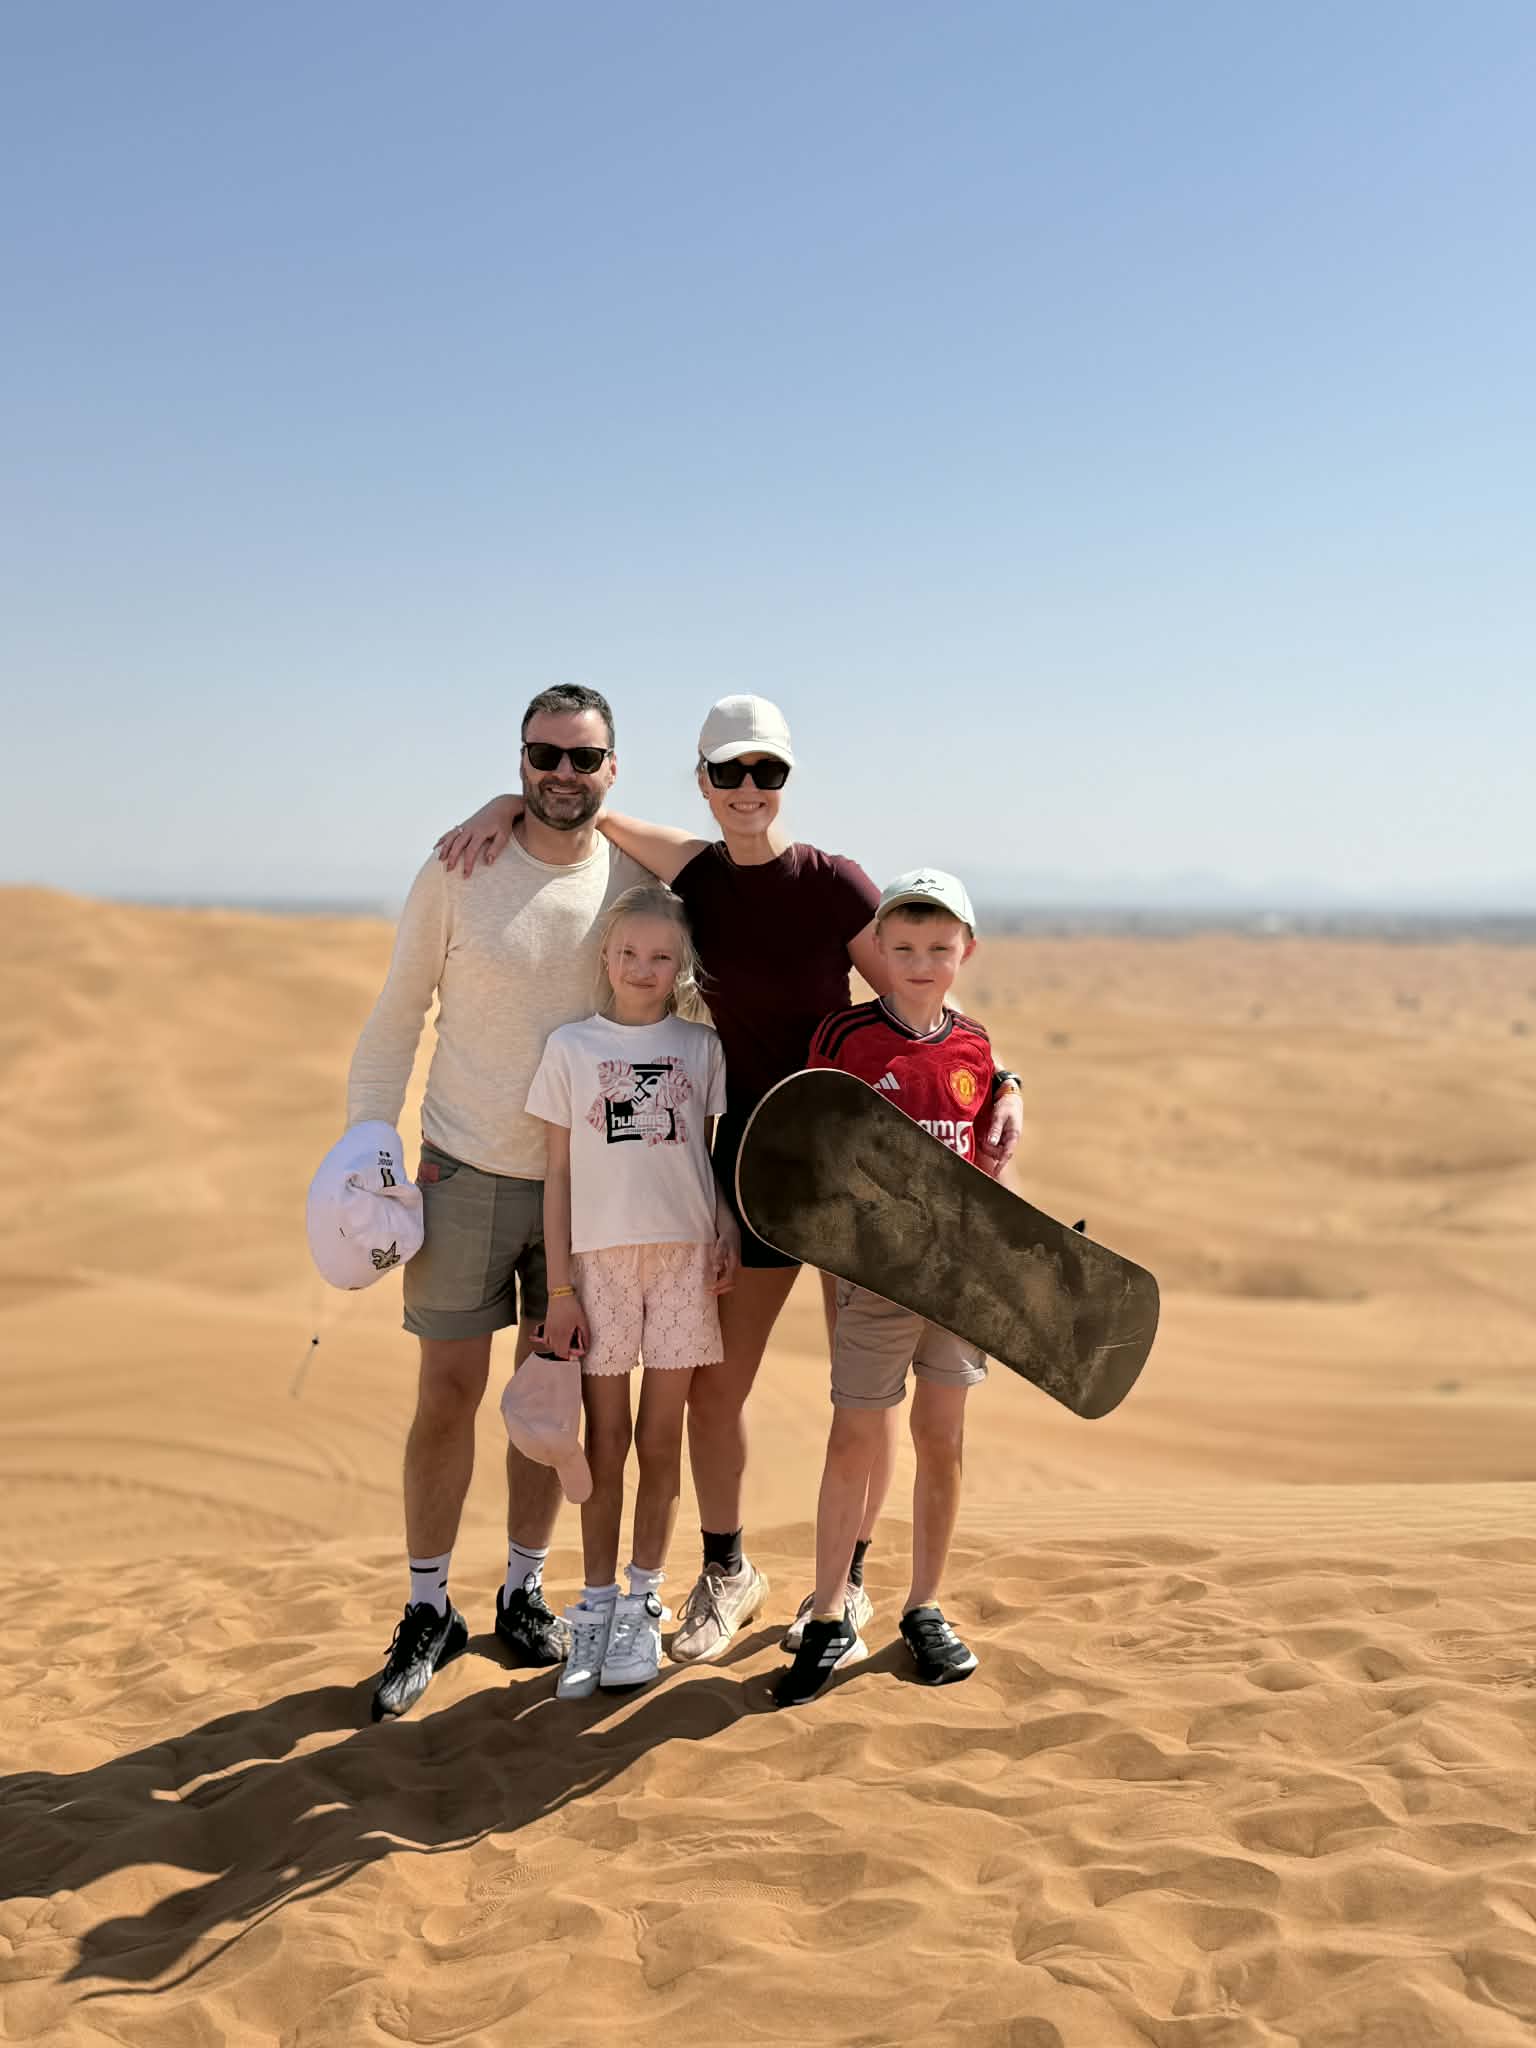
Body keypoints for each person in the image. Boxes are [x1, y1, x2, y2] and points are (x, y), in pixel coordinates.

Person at [437, 695, 1023, 1664]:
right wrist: (511, 800)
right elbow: (588, 808)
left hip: (848, 1176)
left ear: (787, 779)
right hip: (737, 1175)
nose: (749, 790)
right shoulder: (696, 874)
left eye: (769, 772)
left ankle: (849, 1586)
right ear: (704, 780)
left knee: (861, 1401)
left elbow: (922, 997)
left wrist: (1003, 1078)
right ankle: (727, 1569)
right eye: (730, 773)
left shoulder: (834, 884)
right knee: (715, 1396)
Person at [349, 685, 650, 1720]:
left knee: (546, 1401)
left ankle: (522, 1589)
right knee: (446, 1393)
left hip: (588, 1190)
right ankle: (428, 1605)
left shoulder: (641, 880)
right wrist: (364, 1133)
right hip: (463, 1171)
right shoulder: (459, 866)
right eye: (544, 755)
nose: (562, 774)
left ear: (614, 765)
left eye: (584, 757)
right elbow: (398, 1011)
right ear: (520, 758)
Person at [773, 868, 1023, 1708]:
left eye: (939, 948)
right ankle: (830, 1614)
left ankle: (923, 1605)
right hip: (874, 1281)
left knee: (942, 1439)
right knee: (853, 1438)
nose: (921, 962)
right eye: (905, 946)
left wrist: (1009, 1115)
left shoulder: (977, 1046)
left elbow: (988, 1150)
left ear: (966, 952)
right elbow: (812, 1144)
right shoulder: (845, 1037)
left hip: (957, 1281)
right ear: (878, 947)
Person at [526, 884, 737, 1697]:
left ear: (680, 964)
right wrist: (562, 1287)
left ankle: (643, 1609)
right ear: (605, 957)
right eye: (628, 953)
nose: (643, 968)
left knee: (660, 1441)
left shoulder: (702, 1047)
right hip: (600, 1267)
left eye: (661, 956)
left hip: (684, 1260)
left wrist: (720, 1225)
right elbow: (558, 1174)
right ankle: (593, 1610)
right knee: (604, 1444)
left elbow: (709, 1160)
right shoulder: (570, 1048)